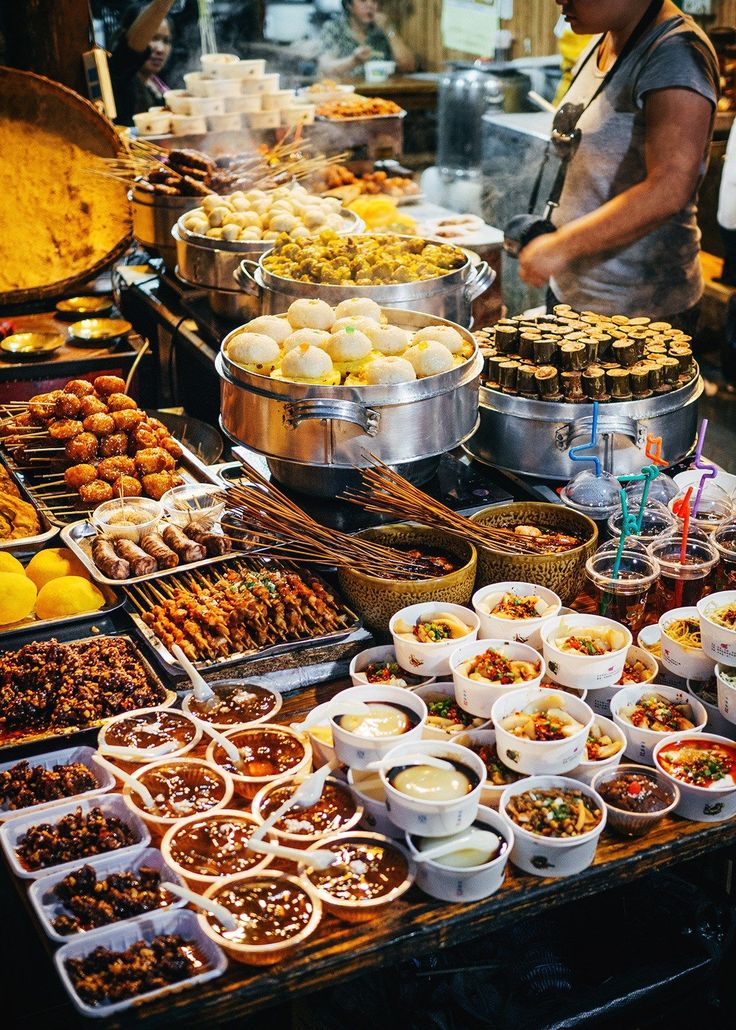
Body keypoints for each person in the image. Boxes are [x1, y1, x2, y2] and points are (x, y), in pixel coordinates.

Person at [519, 0, 719, 332]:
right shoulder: (604, 39)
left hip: (639, 315)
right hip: (576, 295)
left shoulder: (676, 55)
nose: (559, 0)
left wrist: (562, 246)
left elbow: (670, 187)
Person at [110, 0, 176, 126]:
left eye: (166, 41)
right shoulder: (121, 77)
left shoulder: (159, 87)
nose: (160, 49)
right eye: (153, 38)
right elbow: (130, 51)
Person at [319, 0, 415, 81]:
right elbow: (326, 68)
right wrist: (353, 60)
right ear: (349, 5)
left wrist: (388, 29)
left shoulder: (383, 28)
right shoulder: (334, 28)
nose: (370, 5)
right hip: (347, 93)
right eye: (363, 0)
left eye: (374, 1)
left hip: (382, 92)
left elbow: (408, 66)